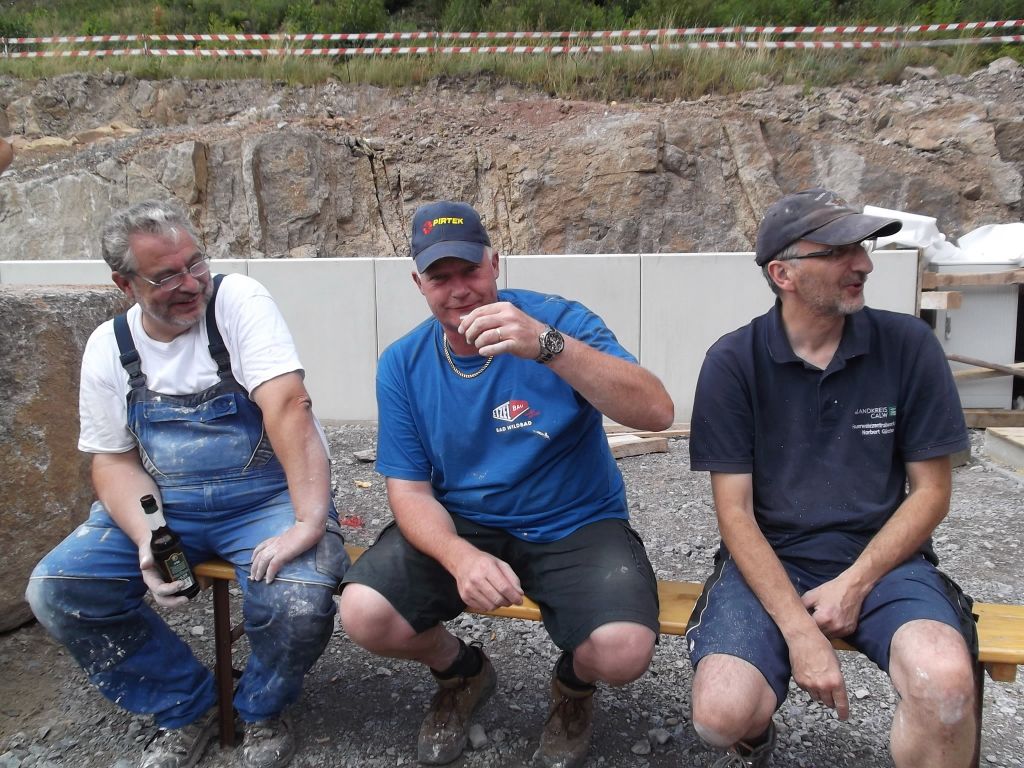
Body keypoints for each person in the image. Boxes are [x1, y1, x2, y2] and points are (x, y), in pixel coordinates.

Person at [339, 201, 674, 768]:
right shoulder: (403, 363)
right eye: (440, 277)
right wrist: (459, 556)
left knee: (623, 651)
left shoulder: (558, 321)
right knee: (365, 613)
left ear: (495, 264)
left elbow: (656, 412)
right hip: (465, 519)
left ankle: (573, 686)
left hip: (575, 518)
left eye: (470, 270)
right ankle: (461, 672)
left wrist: (547, 346)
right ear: (419, 285)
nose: (459, 290)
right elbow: (410, 491)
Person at [26, 200, 349, 768]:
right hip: (167, 505)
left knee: (299, 598)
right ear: (124, 284)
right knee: (58, 591)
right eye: (166, 276)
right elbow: (113, 460)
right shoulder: (109, 347)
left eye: (195, 263)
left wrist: (308, 521)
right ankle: (185, 704)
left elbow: (287, 405)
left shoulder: (237, 301)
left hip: (266, 499)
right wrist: (149, 536)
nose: (191, 283)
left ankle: (261, 707)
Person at [686, 188, 978, 767]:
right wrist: (800, 633)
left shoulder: (908, 346)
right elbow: (734, 514)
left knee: (944, 686)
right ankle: (754, 732)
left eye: (863, 248)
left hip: (884, 560)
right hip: (771, 559)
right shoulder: (733, 362)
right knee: (719, 715)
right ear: (784, 274)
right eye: (840, 251)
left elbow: (932, 492)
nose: (864, 264)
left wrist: (855, 583)